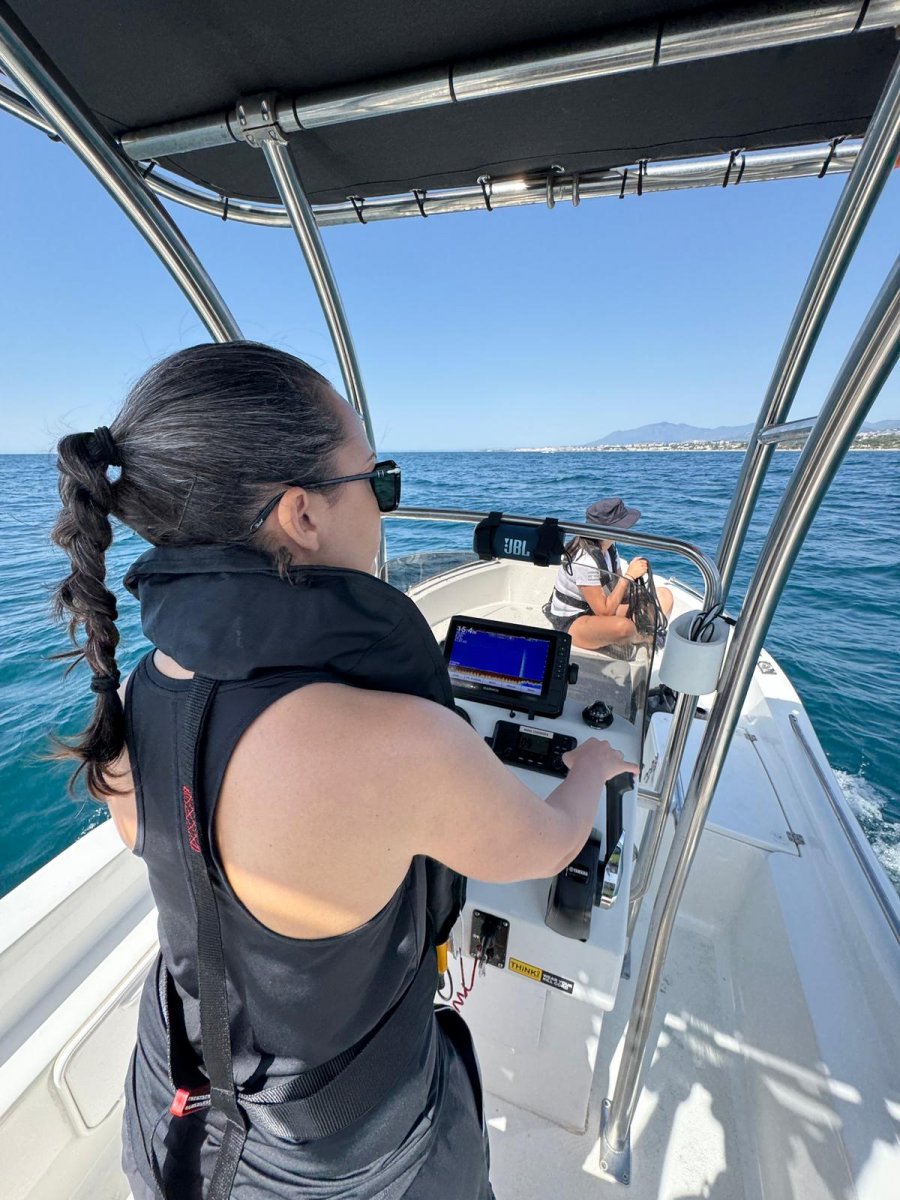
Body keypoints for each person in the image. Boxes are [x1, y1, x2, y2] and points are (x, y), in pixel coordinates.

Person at [49, 342, 636, 1200]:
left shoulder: (140, 687)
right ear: (304, 516)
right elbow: (545, 846)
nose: (387, 506)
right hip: (335, 1148)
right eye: (379, 480)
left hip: (172, 1095)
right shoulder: (393, 745)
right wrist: (588, 770)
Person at [545, 497, 674, 652]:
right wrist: (629, 577)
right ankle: (644, 637)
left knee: (664, 596)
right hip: (573, 621)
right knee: (624, 628)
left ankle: (633, 635)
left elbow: (615, 588)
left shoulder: (609, 548)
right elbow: (604, 611)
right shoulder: (585, 559)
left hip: (598, 610)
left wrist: (640, 596)